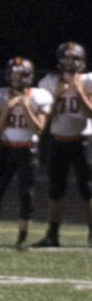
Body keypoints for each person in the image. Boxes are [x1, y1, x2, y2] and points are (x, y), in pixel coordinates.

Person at [0, 57, 52, 250]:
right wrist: (9, 107)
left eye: (22, 75)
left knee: (26, 194)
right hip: (7, 148)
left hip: (28, 149)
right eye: (15, 74)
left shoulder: (39, 95)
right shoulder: (0, 95)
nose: (18, 79)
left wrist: (26, 106)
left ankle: (22, 238)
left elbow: (38, 129)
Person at [35, 42, 92, 247]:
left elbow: (90, 113)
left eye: (75, 58)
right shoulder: (48, 82)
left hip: (83, 140)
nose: (70, 62)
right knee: (56, 189)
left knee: (88, 189)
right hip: (58, 139)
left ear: (82, 61)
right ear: (59, 60)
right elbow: (43, 115)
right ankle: (52, 234)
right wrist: (57, 93)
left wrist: (78, 91)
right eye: (66, 58)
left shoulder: (88, 80)